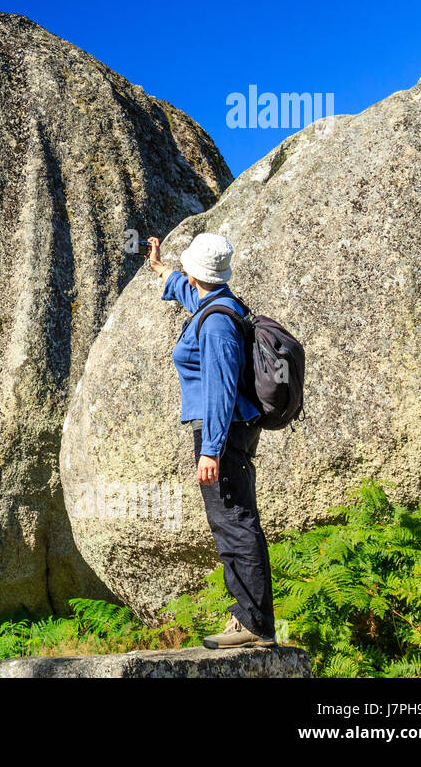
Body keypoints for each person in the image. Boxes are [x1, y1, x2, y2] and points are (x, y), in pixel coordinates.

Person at [145, 232, 276, 649]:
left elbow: (219, 389)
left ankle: (253, 623)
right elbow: (193, 295)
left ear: (196, 272)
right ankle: (248, 619)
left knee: (235, 524)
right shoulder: (218, 303)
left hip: (224, 433)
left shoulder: (217, 324)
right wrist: (162, 270)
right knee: (232, 522)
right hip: (229, 431)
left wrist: (210, 450)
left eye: (187, 271)